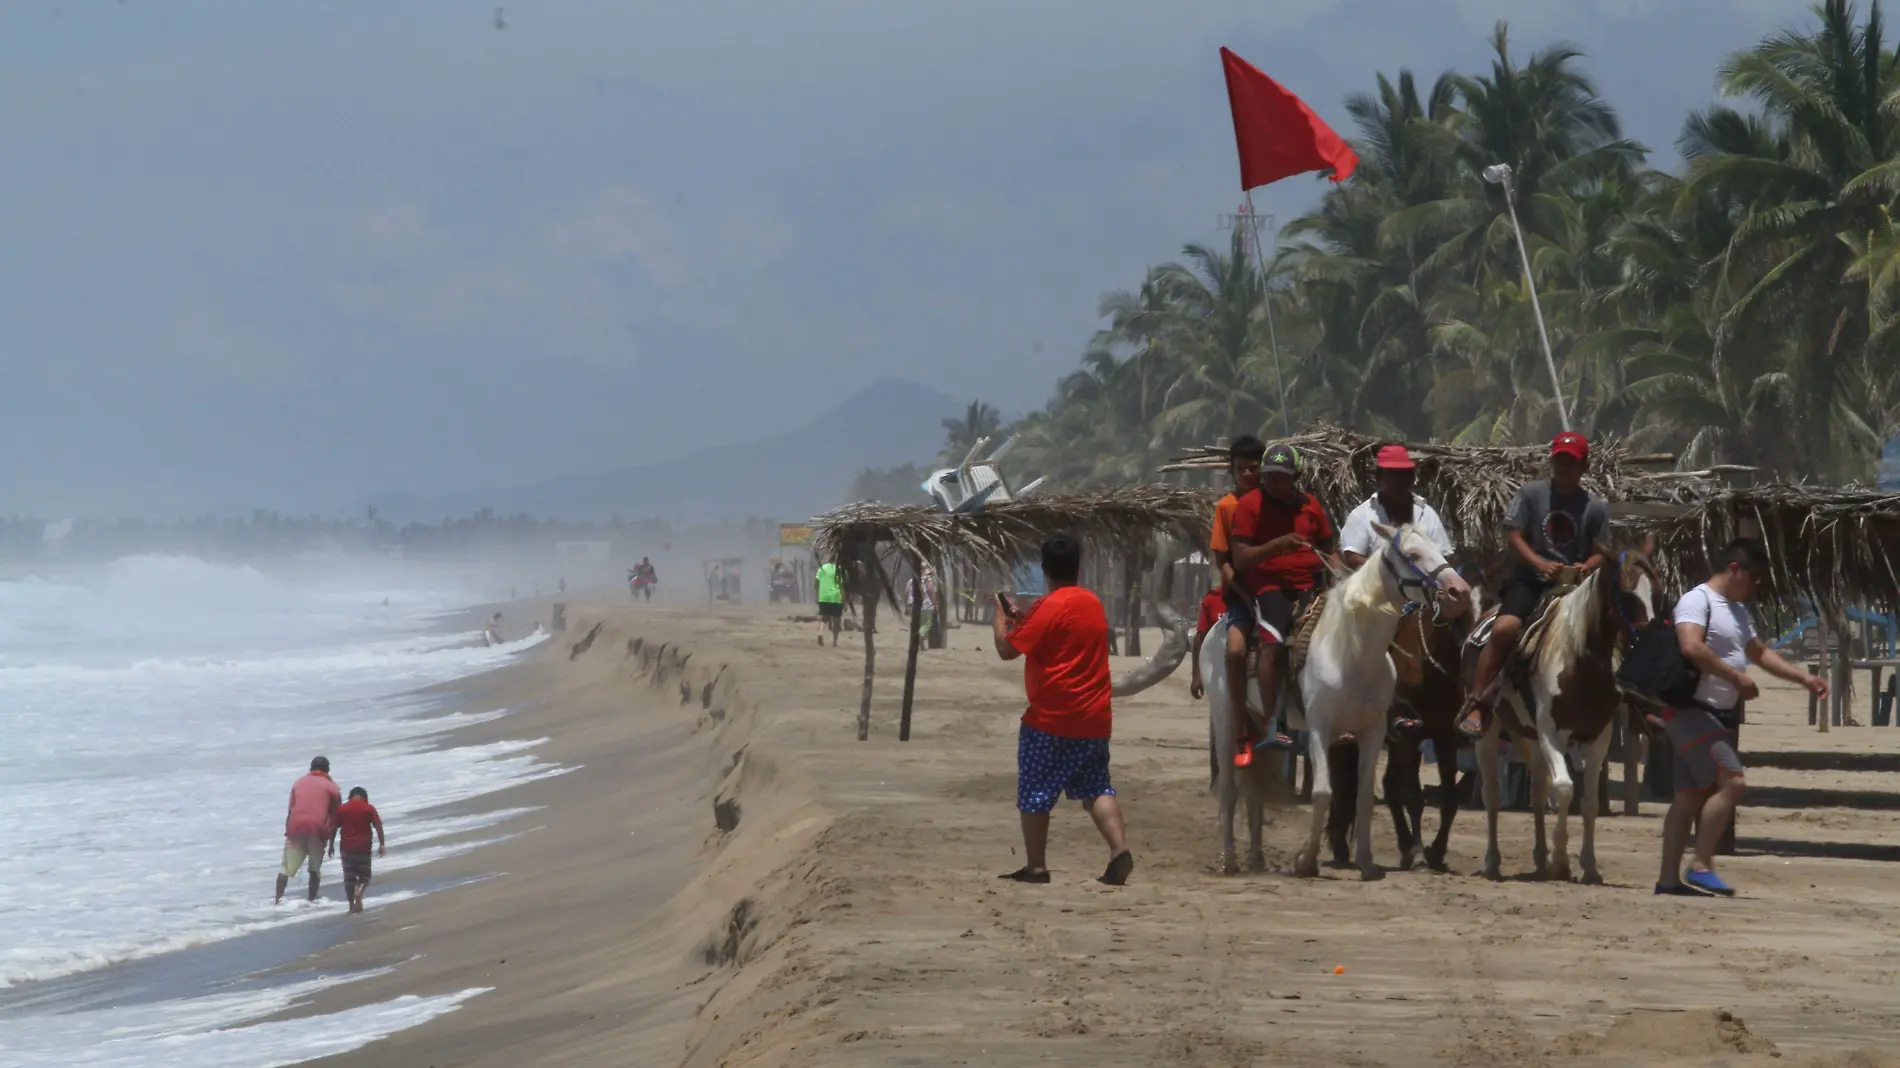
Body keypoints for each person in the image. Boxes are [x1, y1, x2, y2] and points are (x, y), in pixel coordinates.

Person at [1657, 540, 1826, 896]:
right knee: (1733, 782)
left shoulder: (1737, 610)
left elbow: (1759, 653)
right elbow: (1691, 645)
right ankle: (1701, 865)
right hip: (1693, 711)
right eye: (1754, 576)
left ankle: (1668, 881)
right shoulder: (1696, 600)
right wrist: (1735, 678)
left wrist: (1803, 678)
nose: (1756, 585)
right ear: (1735, 568)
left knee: (1688, 795)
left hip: (1716, 713)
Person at [992, 536, 1133, 886]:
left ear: (1044, 569)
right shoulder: (1092, 603)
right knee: (1096, 787)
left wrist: (999, 619)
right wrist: (1021, 621)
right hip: (1095, 718)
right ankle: (1119, 850)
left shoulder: (1047, 606)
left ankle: (1036, 867)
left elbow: (1007, 651)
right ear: (1078, 567)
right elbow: (1058, 636)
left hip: (1051, 720)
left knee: (1035, 792)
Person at [1460, 431, 1610, 738]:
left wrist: (1585, 567)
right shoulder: (1531, 494)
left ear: (1584, 466)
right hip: (1530, 580)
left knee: (1614, 632)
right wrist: (1539, 563)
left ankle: (1631, 702)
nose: (1564, 468)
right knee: (1503, 629)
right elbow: (1514, 534)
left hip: (1576, 589)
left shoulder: (1596, 507)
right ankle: (1477, 702)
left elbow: (1601, 552)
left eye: (1571, 463)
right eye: (1559, 461)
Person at [1338, 443, 1466, 729]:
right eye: (1393, 475)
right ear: (1379, 477)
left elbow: (1444, 554)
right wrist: (1389, 574)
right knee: (1407, 622)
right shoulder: (1363, 515)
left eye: (1405, 475)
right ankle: (1401, 702)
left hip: (1427, 593)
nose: (1400, 481)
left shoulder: (1426, 513)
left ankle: (1468, 696)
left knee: (1467, 627)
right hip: (1378, 596)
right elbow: (1350, 555)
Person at [1227, 441, 1337, 766]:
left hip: (1312, 586)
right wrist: (1276, 546)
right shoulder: (1249, 506)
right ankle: (1273, 723)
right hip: (1270, 587)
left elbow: (1329, 546)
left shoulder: (1311, 506)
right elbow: (1240, 557)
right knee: (1273, 644)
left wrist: (1336, 572)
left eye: (1282, 476)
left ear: (1296, 475)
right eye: (1270, 476)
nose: (1274, 482)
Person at [277, 756, 342, 905]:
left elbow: (291, 810)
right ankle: (312, 901)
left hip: (295, 827)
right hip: (317, 829)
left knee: (285, 869)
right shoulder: (332, 788)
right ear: (327, 770)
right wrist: (331, 843)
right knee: (314, 869)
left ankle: (277, 900)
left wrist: (289, 832)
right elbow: (335, 818)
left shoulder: (298, 783)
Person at [331, 786, 387, 914]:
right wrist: (382, 844)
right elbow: (378, 826)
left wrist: (330, 846)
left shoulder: (342, 809)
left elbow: (333, 828)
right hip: (363, 848)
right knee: (365, 876)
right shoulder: (368, 808)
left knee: (349, 878)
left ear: (350, 797)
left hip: (346, 849)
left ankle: (351, 906)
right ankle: (360, 891)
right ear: (364, 797)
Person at [1188, 584, 1226, 701]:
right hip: (1218, 671)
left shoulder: (1253, 597)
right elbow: (1200, 638)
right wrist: (1196, 676)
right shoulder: (1212, 599)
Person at [815, 558, 846, 646]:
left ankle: (820, 633)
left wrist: (817, 595)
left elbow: (816, 582)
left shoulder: (822, 568)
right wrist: (844, 600)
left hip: (823, 597)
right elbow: (841, 586)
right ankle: (834, 642)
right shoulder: (839, 569)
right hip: (835, 597)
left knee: (824, 618)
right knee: (836, 620)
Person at [908, 564, 938, 643]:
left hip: (913, 605)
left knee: (917, 624)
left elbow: (906, 592)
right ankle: (920, 636)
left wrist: (907, 605)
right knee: (926, 624)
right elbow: (931, 591)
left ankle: (918, 642)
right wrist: (935, 604)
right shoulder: (928, 580)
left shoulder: (911, 580)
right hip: (925, 604)